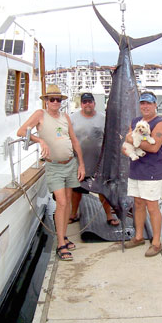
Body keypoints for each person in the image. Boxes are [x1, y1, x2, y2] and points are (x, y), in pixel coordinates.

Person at [17, 84, 85, 261]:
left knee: (68, 202)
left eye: (58, 99)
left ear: (61, 102)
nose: (55, 102)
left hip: (70, 163)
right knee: (61, 202)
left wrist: (81, 165)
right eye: (51, 99)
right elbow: (21, 131)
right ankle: (60, 244)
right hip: (53, 166)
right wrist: (40, 140)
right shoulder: (40, 114)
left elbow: (75, 141)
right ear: (46, 101)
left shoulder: (65, 117)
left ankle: (63, 235)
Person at [122, 91, 162, 257]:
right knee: (138, 203)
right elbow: (126, 143)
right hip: (136, 169)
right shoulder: (135, 121)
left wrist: (131, 139)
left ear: (155, 104)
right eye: (142, 103)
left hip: (153, 172)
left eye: (149, 103)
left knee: (152, 206)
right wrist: (128, 146)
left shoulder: (161, 124)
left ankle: (156, 243)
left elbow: (153, 147)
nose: (145, 106)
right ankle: (139, 237)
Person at [69, 92, 119, 226]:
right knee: (76, 190)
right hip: (79, 162)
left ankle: (109, 216)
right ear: (81, 104)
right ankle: (73, 214)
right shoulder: (72, 118)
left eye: (90, 102)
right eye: (84, 102)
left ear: (94, 103)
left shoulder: (103, 118)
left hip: (100, 163)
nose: (87, 104)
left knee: (103, 190)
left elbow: (111, 140)